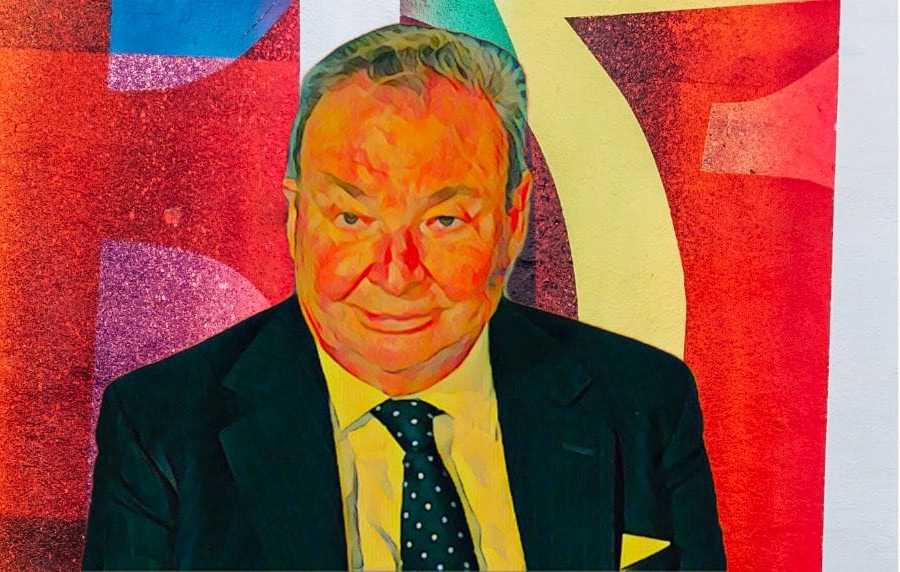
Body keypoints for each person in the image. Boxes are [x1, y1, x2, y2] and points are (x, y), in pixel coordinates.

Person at [82, 24, 725, 571]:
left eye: (444, 221)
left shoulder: (644, 402)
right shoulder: (161, 429)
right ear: (296, 217)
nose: (397, 274)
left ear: (513, 220)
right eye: (353, 218)